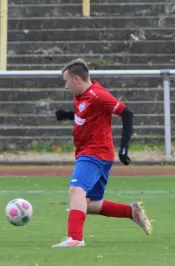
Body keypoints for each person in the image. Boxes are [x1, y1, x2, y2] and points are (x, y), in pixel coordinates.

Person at [52, 58, 152, 248]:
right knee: (88, 204)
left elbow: (127, 113)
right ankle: (131, 212)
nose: (65, 86)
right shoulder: (81, 95)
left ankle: (75, 239)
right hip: (94, 154)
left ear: (76, 80)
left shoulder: (99, 95)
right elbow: (86, 114)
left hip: (94, 154)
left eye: (66, 81)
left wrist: (124, 147)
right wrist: (67, 115)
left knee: (76, 191)